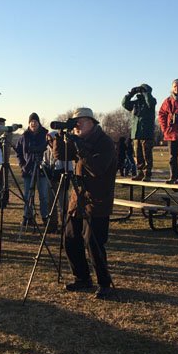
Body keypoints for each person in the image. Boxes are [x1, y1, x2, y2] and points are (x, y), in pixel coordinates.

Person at [53, 107, 116, 300]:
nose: (77, 126)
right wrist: (60, 137)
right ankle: (82, 278)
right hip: (78, 198)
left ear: (92, 123)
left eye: (81, 122)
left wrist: (79, 145)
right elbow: (61, 155)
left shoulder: (104, 142)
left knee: (93, 242)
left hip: (98, 200)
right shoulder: (79, 139)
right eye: (75, 123)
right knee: (70, 238)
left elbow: (97, 169)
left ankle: (104, 283)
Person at [15, 112, 49, 227]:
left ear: (39, 123)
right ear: (29, 123)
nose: (33, 124)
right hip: (28, 170)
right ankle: (27, 216)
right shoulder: (24, 136)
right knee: (28, 195)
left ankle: (45, 217)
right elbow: (18, 153)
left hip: (42, 170)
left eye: (35, 121)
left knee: (43, 196)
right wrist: (22, 165)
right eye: (31, 122)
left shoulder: (45, 135)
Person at [122, 83, 157, 181]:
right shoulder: (135, 103)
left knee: (147, 155)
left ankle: (147, 174)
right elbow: (124, 104)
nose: (140, 92)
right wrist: (130, 94)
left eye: (143, 91)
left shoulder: (151, 101)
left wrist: (146, 93)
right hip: (136, 133)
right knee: (138, 155)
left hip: (146, 133)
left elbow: (150, 102)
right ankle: (140, 173)